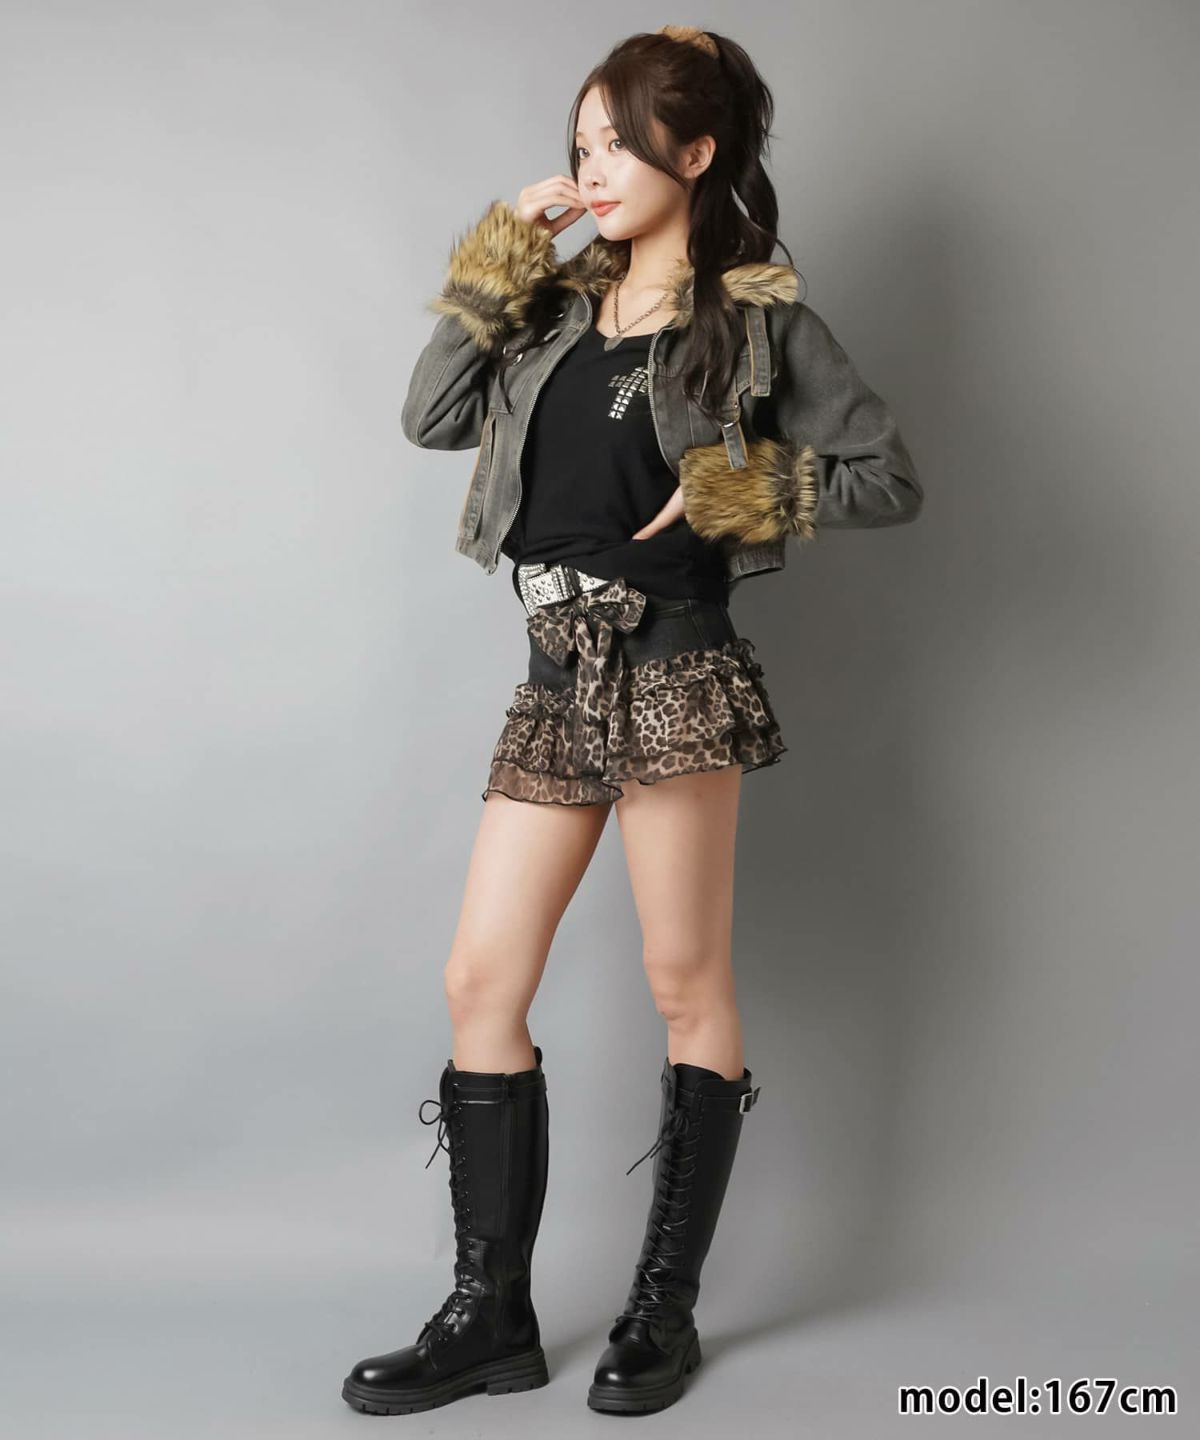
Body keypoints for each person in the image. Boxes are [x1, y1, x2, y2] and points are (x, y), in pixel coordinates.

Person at [341, 23, 923, 1419]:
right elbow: (429, 414)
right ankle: (490, 1317)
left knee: (684, 984)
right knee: (482, 984)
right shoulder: (551, 310)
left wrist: (740, 494)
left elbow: (886, 475)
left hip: (672, 667)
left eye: (618, 144)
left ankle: (663, 1312)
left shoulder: (758, 318)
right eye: (581, 145)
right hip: (556, 672)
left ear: (698, 152)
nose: (591, 169)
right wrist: (503, 252)